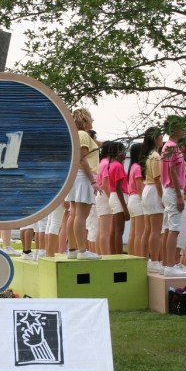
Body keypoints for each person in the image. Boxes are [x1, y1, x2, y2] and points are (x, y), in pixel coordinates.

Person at [65, 109, 101, 260]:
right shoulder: (84, 135)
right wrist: (93, 181)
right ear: (85, 120)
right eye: (91, 118)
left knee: (74, 214)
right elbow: (83, 158)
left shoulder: (75, 135)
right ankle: (82, 250)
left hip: (75, 176)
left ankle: (73, 249)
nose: (93, 121)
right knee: (81, 215)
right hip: (84, 176)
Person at [159, 117, 186, 276]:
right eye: (182, 126)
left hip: (168, 189)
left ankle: (167, 263)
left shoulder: (167, 146)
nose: (184, 129)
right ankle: (170, 265)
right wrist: (179, 195)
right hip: (172, 190)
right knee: (174, 229)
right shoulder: (172, 147)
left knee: (168, 228)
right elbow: (173, 172)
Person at [140, 127, 165, 272]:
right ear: (155, 138)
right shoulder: (155, 156)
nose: (162, 138)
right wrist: (162, 197)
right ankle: (154, 261)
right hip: (154, 191)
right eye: (160, 136)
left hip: (147, 190)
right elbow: (157, 179)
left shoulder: (148, 155)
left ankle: (145, 259)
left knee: (148, 229)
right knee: (155, 229)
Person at [126, 142, 146, 257]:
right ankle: (139, 256)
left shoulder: (132, 167)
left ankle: (132, 255)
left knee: (133, 232)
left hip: (132, 199)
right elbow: (140, 188)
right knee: (140, 232)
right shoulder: (138, 168)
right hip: (137, 199)